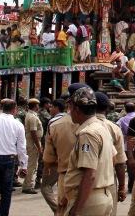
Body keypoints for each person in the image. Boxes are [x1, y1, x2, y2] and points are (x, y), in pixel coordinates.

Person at [60, 87, 115, 216]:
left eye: (70, 107)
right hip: (103, 195)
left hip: (89, 200)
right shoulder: (101, 127)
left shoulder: (88, 133)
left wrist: (77, 209)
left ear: (77, 109)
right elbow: (112, 158)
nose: (69, 112)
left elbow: (90, 173)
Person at [43, 85, 85, 214]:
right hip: (92, 179)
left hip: (65, 175)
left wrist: (47, 168)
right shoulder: (99, 125)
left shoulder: (56, 124)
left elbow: (48, 158)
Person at [94, 92, 128, 216]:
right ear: (107, 108)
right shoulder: (114, 128)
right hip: (109, 181)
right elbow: (120, 163)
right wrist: (122, 187)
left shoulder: (79, 126)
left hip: (85, 182)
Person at [23, 98, 44, 194]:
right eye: (37, 105)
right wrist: (39, 147)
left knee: (31, 164)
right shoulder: (32, 117)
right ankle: (28, 186)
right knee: (32, 165)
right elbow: (33, 132)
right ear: (35, 106)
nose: (38, 107)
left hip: (32, 142)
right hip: (33, 143)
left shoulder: (31, 115)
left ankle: (27, 184)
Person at [116, 102, 135, 193]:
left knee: (130, 167)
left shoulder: (122, 119)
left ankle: (131, 186)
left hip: (127, 144)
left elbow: (117, 127)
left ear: (125, 109)